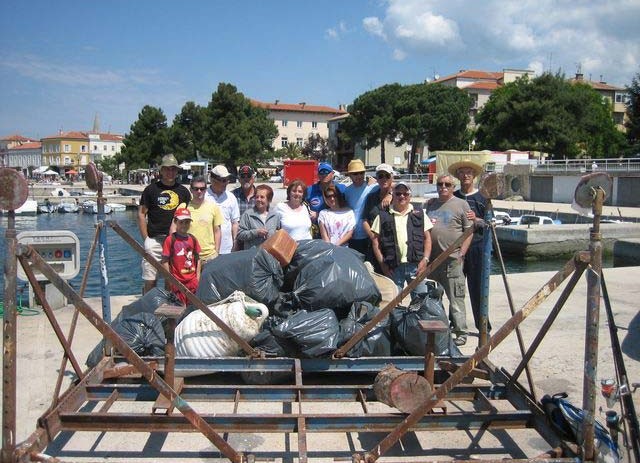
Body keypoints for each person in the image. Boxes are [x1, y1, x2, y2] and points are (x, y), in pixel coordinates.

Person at [424, 174, 474, 346]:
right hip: (433, 261)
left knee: (456, 299)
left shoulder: (461, 204)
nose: (443, 187)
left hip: (452, 261)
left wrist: (462, 254)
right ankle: (440, 330)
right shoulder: (430, 205)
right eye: (440, 184)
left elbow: (469, 231)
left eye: (447, 184)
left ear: (453, 187)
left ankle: (461, 332)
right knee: (433, 299)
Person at [138, 153, 191, 294]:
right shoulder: (150, 190)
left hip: (175, 241)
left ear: (177, 171)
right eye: (167, 169)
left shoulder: (184, 192)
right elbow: (142, 214)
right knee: (150, 279)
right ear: (161, 170)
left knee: (171, 279)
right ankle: (148, 307)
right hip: (154, 240)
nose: (170, 172)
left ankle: (169, 308)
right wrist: (146, 239)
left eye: (173, 169)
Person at [370, 182, 432, 298]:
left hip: (416, 266)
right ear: (393, 195)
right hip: (393, 267)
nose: (402, 196)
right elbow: (375, 242)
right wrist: (383, 264)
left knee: (422, 301)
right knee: (392, 304)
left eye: (405, 194)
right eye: (398, 194)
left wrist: (425, 260)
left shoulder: (420, 214)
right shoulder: (383, 215)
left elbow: (427, 238)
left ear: (410, 196)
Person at [450, 159, 491, 333]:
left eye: (469, 172)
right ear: (458, 176)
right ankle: (457, 325)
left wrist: (476, 219)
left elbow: (489, 224)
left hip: (477, 248)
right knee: (456, 290)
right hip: (457, 249)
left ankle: (483, 325)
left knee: (477, 289)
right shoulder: (454, 196)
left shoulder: (483, 198)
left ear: (474, 176)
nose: (465, 175)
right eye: (462, 172)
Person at [161, 208, 201, 305]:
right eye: (181, 222)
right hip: (177, 282)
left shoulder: (193, 239)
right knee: (179, 308)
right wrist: (169, 279)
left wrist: (198, 277)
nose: (184, 225)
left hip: (192, 281)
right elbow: (165, 261)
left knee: (193, 307)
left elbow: (198, 259)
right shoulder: (170, 240)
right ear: (175, 222)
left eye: (187, 222)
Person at [362, 163, 394, 271]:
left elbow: (408, 190)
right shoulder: (371, 197)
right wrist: (373, 237)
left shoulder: (398, 197)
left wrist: (391, 194)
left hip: (391, 248)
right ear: (377, 178)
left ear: (392, 177)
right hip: (372, 247)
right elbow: (365, 220)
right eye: (380, 176)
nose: (384, 179)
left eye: (387, 176)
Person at [344, 158, 378, 256]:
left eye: (361, 173)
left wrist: (389, 194)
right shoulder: (347, 191)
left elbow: (390, 185)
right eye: (355, 174)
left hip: (368, 235)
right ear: (349, 175)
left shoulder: (372, 188)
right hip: (352, 235)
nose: (359, 176)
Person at [187, 175, 223, 262]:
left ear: (206, 190)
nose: (199, 191)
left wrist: (217, 252)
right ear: (191, 190)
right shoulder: (185, 207)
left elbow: (217, 231)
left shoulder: (213, 207)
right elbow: (175, 229)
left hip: (210, 256)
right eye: (196, 189)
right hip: (190, 255)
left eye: (202, 189)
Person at [205, 165, 240, 254]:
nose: (227, 183)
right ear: (213, 180)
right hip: (207, 248)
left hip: (227, 248)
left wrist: (235, 242)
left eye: (227, 180)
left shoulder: (231, 197)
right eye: (223, 180)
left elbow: (235, 222)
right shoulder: (203, 196)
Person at [306, 162, 346, 237]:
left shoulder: (341, 188)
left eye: (327, 172)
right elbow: (300, 205)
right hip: (316, 234)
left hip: (337, 233)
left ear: (333, 174)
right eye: (321, 172)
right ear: (318, 175)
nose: (324, 175)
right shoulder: (310, 190)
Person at [238, 184, 281, 249]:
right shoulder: (248, 214)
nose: (258, 199)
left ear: (269, 200)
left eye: (262, 197)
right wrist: (256, 232)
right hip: (252, 255)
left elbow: (279, 233)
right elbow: (240, 234)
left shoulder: (275, 216)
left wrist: (275, 235)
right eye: (257, 197)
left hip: (270, 255)